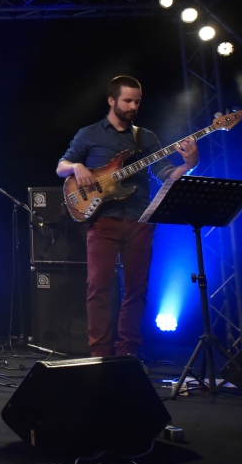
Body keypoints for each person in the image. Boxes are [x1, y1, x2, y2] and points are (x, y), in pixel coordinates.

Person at [57, 75, 198, 359]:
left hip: (139, 221)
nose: (134, 106)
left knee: (136, 289)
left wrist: (189, 165)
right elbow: (61, 167)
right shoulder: (89, 134)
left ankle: (127, 353)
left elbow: (165, 175)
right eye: (128, 100)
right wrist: (77, 167)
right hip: (102, 221)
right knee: (98, 289)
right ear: (112, 101)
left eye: (137, 101)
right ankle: (100, 354)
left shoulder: (146, 137)